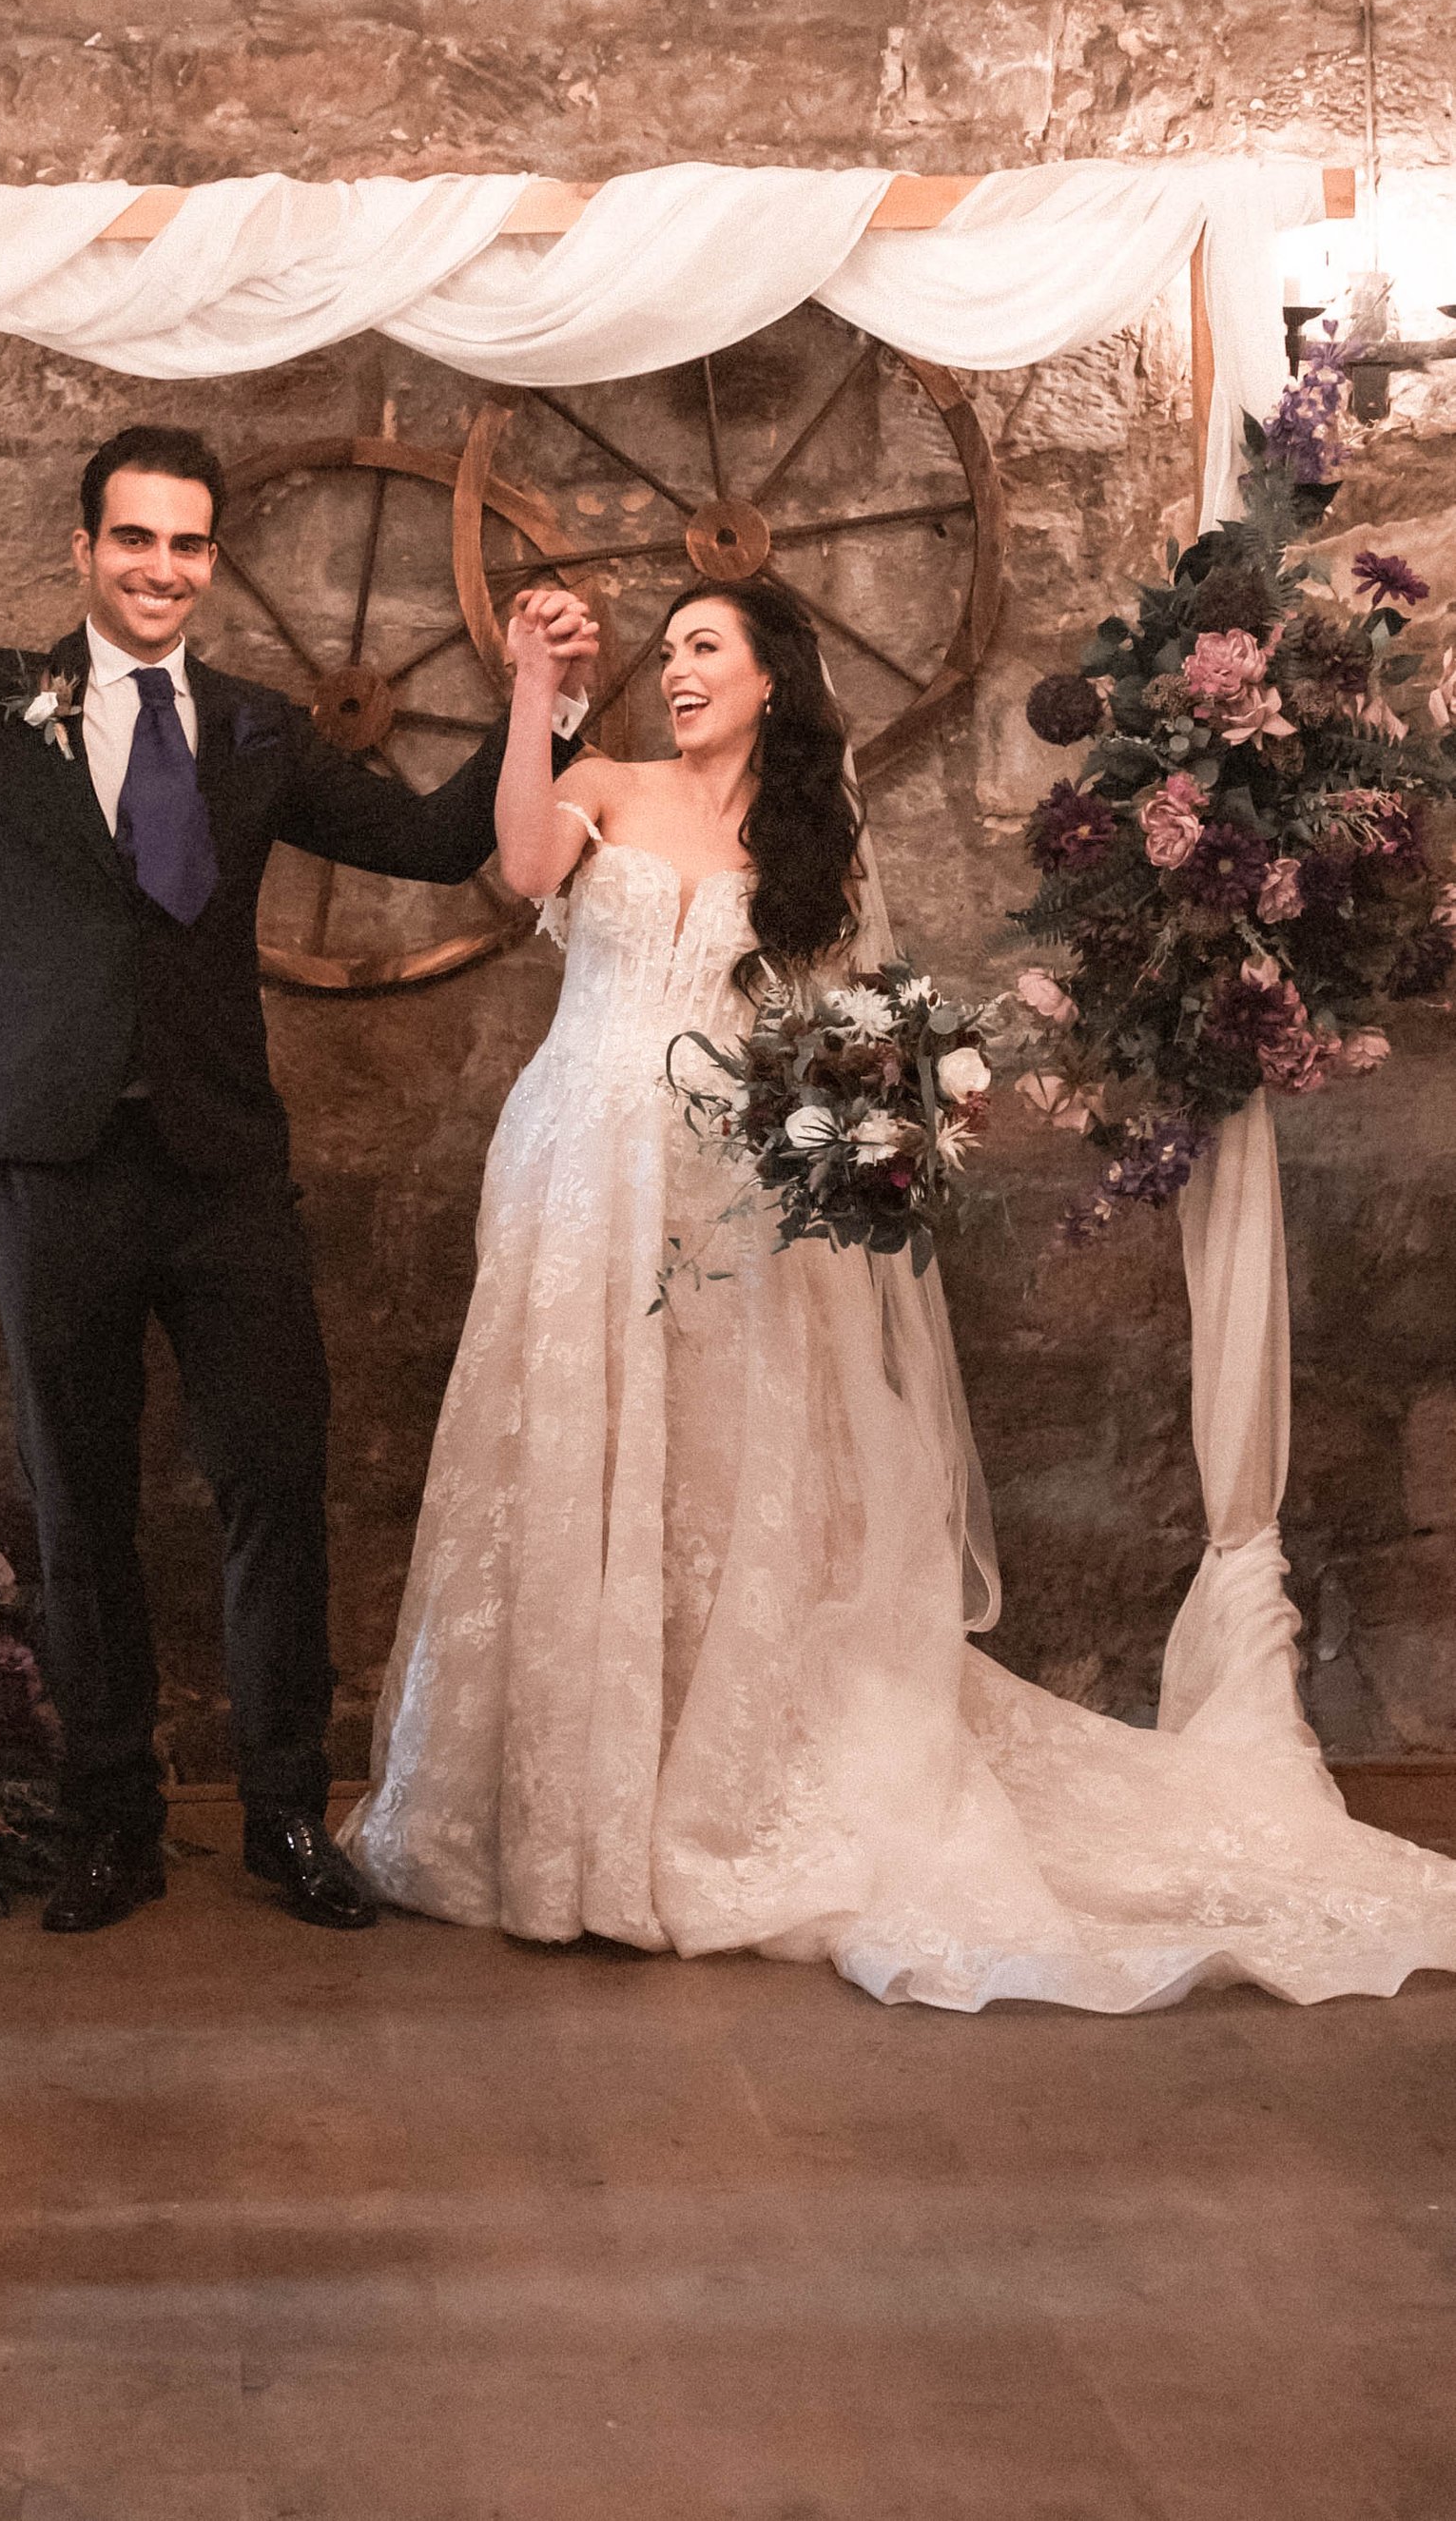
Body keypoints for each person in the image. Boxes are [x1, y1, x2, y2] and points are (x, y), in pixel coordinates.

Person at [343, 574, 1456, 2007]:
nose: (678, 673)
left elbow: (841, 1028)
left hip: (728, 1201)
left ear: (767, 678)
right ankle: (563, 1812)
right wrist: (534, 697)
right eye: (669, 652)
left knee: (717, 1476)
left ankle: (700, 1791)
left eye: (705, 650)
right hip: (573, 1169)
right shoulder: (602, 781)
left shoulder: (813, 840)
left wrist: (882, 1114)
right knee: (567, 1459)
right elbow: (516, 870)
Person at [0, 420, 597, 1935]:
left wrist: (543, 698)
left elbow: (444, 842)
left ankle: (279, 1816)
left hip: (222, 1166)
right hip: (52, 1155)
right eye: (137, 540)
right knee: (83, 1500)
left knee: (277, 1484)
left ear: (209, 562)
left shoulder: (255, 731)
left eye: (189, 545)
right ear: (86, 549)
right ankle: (111, 1820)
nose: (163, 570)